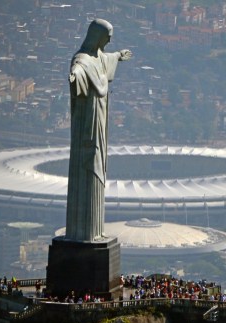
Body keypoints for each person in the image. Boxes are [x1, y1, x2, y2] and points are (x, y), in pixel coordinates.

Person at [65, 19, 132, 242]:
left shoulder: (99, 57)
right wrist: (75, 76)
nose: (110, 41)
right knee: (87, 171)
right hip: (88, 126)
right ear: (96, 36)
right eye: (107, 37)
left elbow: (106, 59)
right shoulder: (82, 60)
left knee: (98, 170)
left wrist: (118, 56)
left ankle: (95, 231)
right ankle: (83, 233)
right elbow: (79, 69)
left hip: (100, 123)